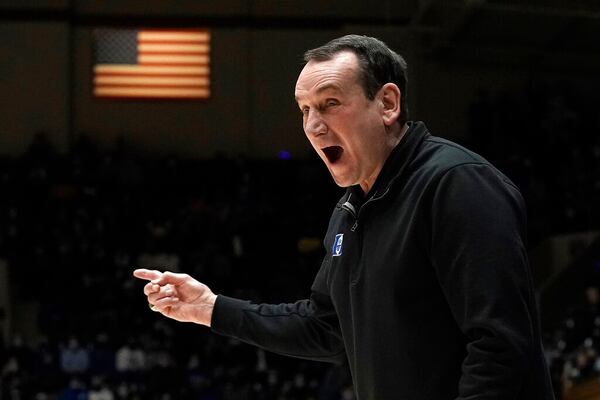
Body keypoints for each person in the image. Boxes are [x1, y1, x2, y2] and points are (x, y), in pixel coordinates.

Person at [134, 34, 555, 399]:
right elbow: (326, 327)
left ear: (387, 103)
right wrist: (211, 308)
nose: (313, 126)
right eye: (304, 109)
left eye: (330, 103)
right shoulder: (351, 208)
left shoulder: (457, 185)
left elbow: (499, 345)